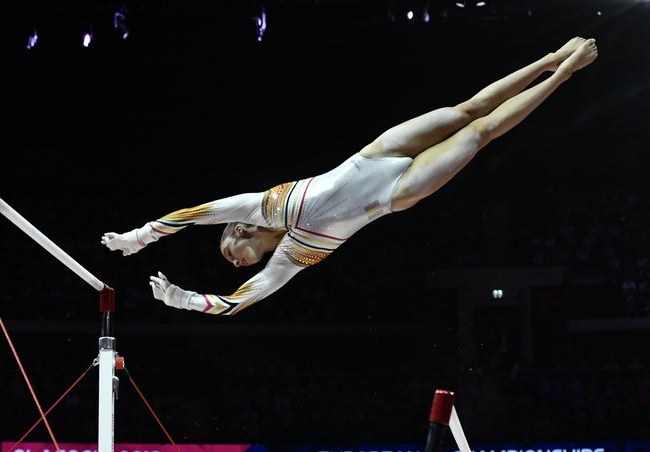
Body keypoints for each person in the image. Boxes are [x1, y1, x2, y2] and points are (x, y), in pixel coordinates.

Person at [102, 37, 598, 316]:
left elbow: (194, 215)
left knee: (466, 108)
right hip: (394, 194)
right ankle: (564, 74)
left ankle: (551, 56)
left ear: (241, 231)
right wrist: (186, 300)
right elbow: (235, 303)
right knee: (481, 134)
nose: (235, 264)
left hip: (374, 154)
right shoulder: (290, 261)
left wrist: (139, 237)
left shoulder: (261, 206)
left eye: (230, 253)